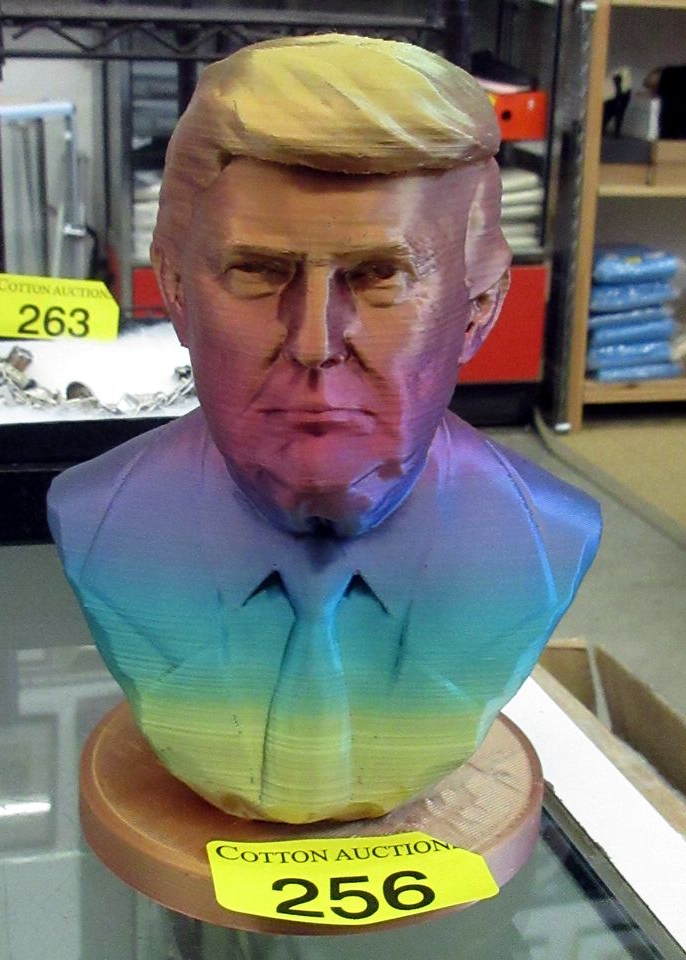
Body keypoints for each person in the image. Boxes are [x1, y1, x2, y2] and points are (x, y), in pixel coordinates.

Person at [49, 34, 601, 825]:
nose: (314, 341)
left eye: (381, 277)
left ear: (478, 310)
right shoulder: (98, 519)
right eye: (257, 271)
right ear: (175, 290)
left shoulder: (543, 538)